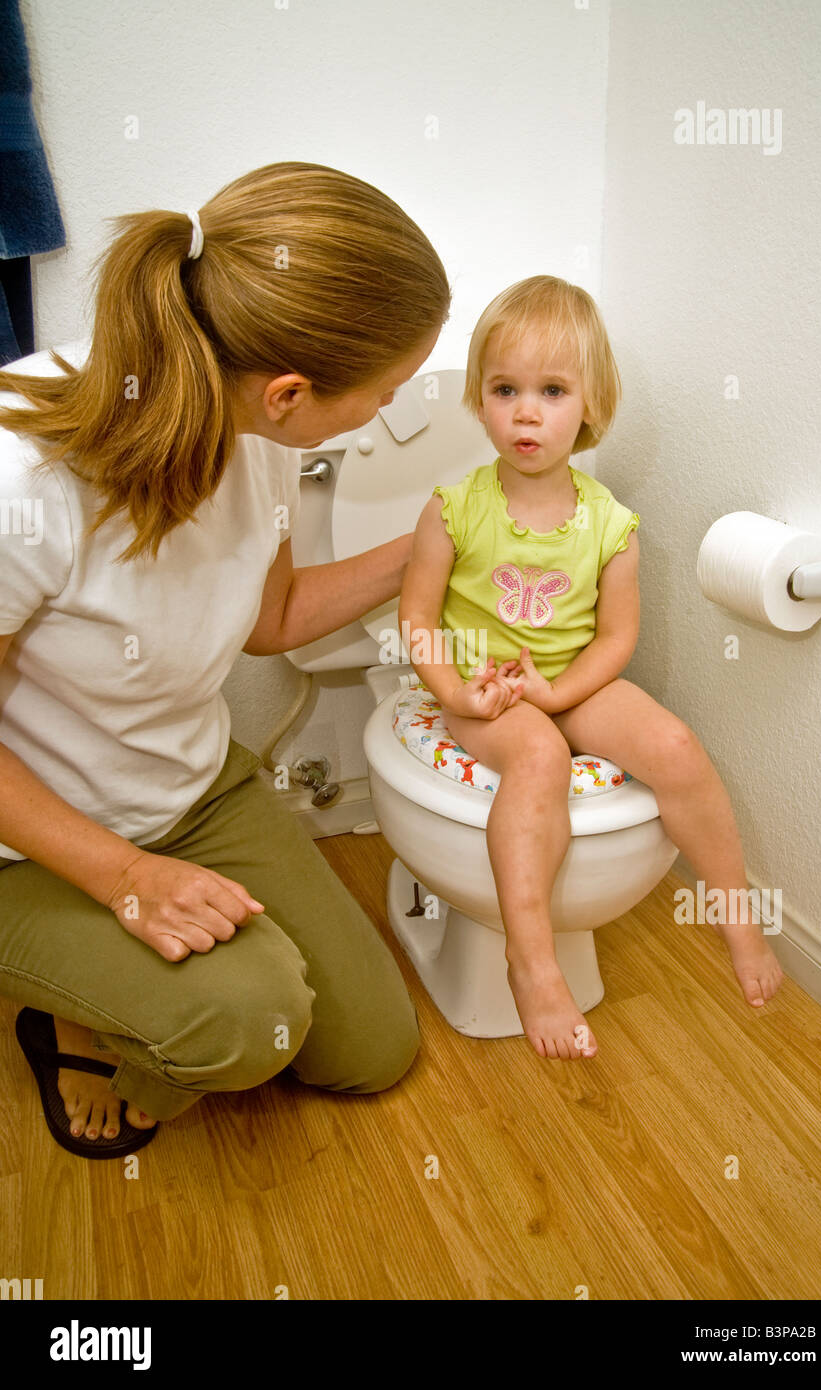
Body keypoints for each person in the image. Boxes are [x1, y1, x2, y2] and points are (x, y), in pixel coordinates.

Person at [0, 160, 450, 1157]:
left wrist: (436, 537)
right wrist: (123, 877)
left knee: (366, 1049)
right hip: (29, 842)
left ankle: (137, 978)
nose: (384, 410)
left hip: (194, 789)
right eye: (381, 394)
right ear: (291, 390)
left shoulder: (255, 427)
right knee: (244, 1021)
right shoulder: (20, 481)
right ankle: (90, 1007)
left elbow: (275, 612)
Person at [398, 275, 784, 1062]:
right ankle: (530, 961)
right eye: (505, 389)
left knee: (675, 747)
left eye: (552, 390)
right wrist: (455, 690)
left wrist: (558, 690)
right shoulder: (451, 508)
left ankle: (738, 919)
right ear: (479, 399)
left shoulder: (612, 525)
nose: (527, 411)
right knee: (536, 754)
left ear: (591, 406)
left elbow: (615, 641)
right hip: (483, 695)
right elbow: (417, 620)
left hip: (571, 685)